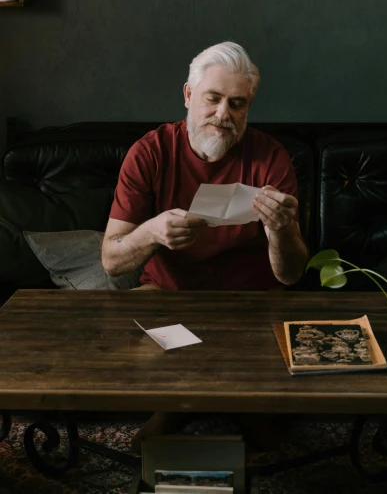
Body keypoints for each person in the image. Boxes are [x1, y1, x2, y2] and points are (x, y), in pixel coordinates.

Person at [101, 41, 308, 450]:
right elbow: (111, 260)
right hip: (167, 296)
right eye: (212, 99)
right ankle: (197, 403)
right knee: (125, 336)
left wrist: (281, 229)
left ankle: (207, 403)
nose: (223, 115)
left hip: (251, 300)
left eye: (237, 104)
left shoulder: (270, 157)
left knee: (269, 441)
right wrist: (152, 233)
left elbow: (290, 274)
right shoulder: (150, 151)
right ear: (188, 95)